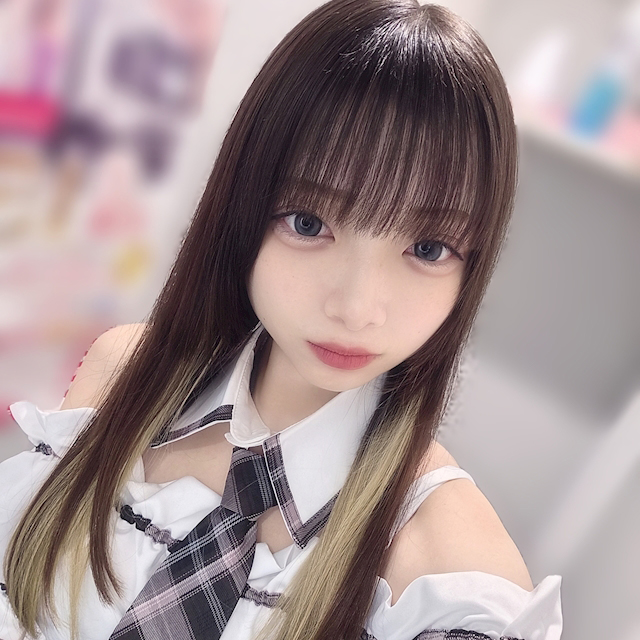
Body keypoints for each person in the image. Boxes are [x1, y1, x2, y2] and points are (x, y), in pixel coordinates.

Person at [0, 1, 563, 639]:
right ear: (244, 207)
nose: (357, 308)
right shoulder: (125, 377)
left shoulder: (447, 575)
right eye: (309, 223)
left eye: (428, 249)